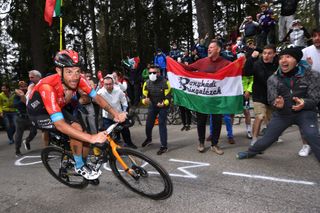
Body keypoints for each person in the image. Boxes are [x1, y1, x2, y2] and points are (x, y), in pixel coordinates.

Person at [27, 50, 126, 180]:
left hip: (56, 107)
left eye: (77, 71)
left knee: (83, 137)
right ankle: (79, 166)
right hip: (39, 114)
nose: (74, 76)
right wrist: (92, 137)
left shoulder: (79, 79)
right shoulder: (47, 86)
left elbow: (97, 97)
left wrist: (115, 114)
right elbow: (60, 125)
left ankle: (81, 161)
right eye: (69, 71)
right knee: (78, 132)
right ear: (58, 71)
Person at [237, 47, 320, 162]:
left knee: (312, 135)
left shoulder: (312, 75)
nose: (283, 60)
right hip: (283, 114)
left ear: (296, 61)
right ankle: (250, 152)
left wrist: (305, 103)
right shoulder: (273, 79)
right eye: (281, 57)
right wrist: (277, 104)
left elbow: (315, 98)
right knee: (267, 138)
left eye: (288, 57)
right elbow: (271, 99)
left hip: (305, 113)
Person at [180, 40, 231, 155]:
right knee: (201, 121)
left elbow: (236, 72)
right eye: (208, 47)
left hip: (217, 99)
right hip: (202, 98)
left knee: (217, 122)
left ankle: (214, 144)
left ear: (218, 49)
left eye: (212, 47)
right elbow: (188, 68)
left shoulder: (226, 63)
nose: (209, 49)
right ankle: (201, 142)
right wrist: (174, 63)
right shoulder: (201, 62)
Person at [243, 44, 278, 145]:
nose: (266, 56)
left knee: (271, 119)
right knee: (260, 116)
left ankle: (271, 137)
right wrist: (251, 58)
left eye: (269, 53)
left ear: (274, 54)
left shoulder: (278, 64)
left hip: (272, 95)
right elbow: (246, 72)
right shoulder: (257, 64)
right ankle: (254, 140)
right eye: (265, 53)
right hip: (259, 95)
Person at [97, 75, 137, 149]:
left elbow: (124, 101)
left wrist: (124, 112)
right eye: (106, 84)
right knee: (109, 134)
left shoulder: (118, 90)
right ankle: (112, 149)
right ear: (103, 84)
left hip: (119, 114)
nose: (108, 86)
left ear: (113, 83)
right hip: (107, 116)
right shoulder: (100, 92)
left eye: (110, 84)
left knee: (125, 130)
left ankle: (129, 143)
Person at [141, 65, 171, 155]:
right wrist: (144, 101)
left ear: (159, 73)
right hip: (152, 105)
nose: (152, 74)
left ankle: (164, 146)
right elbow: (144, 96)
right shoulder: (147, 83)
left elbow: (168, 98)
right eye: (150, 73)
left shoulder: (166, 82)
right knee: (149, 124)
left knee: (162, 124)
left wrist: (164, 103)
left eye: (154, 72)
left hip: (163, 106)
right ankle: (149, 139)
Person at [14, 81, 38, 157]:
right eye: (21, 87)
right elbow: (15, 105)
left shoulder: (30, 93)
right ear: (19, 88)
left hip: (30, 117)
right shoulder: (17, 95)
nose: (23, 88)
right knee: (19, 135)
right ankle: (17, 150)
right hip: (21, 118)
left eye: (24, 86)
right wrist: (22, 97)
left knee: (34, 131)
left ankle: (27, 141)